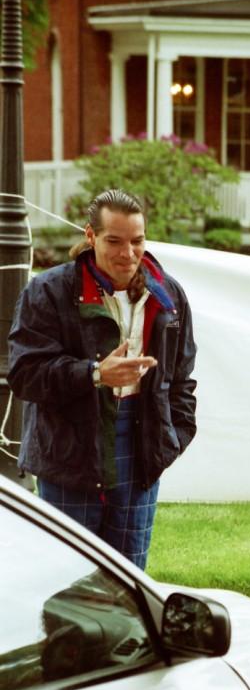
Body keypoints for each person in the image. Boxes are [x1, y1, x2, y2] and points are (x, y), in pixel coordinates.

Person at [8, 188, 197, 570]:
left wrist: (171, 441)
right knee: (66, 579)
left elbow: (181, 380)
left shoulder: (169, 295)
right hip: (69, 452)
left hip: (142, 448)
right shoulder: (48, 291)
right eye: (114, 241)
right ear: (90, 236)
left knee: (129, 577)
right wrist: (94, 374)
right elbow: (24, 375)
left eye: (137, 241)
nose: (128, 253)